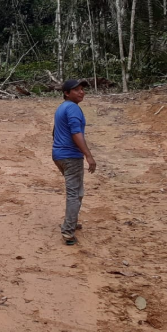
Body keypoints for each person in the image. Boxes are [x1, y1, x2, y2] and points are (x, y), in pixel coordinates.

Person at [52, 79, 96, 245]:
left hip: (59, 155)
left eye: (82, 89)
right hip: (70, 157)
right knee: (75, 194)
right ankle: (68, 232)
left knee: (76, 191)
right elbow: (76, 133)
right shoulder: (73, 109)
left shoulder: (61, 108)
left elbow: (55, 131)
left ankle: (71, 220)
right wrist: (88, 156)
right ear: (66, 93)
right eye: (76, 90)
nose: (81, 92)